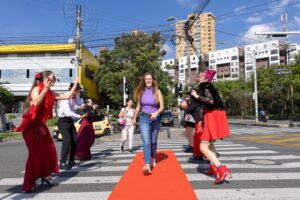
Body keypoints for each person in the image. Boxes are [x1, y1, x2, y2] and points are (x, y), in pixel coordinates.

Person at [15, 70, 80, 193]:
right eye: (50, 79)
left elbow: (66, 96)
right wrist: (44, 90)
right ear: (44, 80)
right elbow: (36, 103)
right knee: (34, 155)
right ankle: (29, 183)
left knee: (49, 150)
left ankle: (46, 176)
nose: (52, 81)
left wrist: (75, 85)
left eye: (53, 79)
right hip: (31, 125)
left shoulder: (51, 93)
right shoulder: (36, 89)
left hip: (41, 125)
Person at [191, 69, 231, 184]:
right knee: (211, 145)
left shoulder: (206, 86)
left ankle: (221, 169)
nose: (198, 77)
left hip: (212, 116)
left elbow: (211, 101)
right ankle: (214, 168)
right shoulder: (208, 86)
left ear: (205, 78)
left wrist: (197, 96)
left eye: (200, 76)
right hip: (213, 115)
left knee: (203, 147)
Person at [133, 73, 164, 175]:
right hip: (143, 118)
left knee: (153, 141)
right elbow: (138, 106)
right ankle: (147, 165)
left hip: (155, 118)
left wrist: (156, 113)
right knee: (146, 141)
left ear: (153, 80)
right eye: (146, 79)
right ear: (144, 80)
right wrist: (134, 118)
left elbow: (162, 107)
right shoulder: (141, 92)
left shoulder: (157, 92)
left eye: (150, 79)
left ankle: (152, 157)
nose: (148, 81)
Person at [57, 83, 85, 170]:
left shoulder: (75, 97)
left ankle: (71, 160)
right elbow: (68, 112)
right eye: (77, 90)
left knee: (75, 141)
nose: (78, 92)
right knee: (67, 140)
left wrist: (84, 105)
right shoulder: (65, 98)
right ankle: (62, 162)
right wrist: (79, 116)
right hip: (63, 121)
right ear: (73, 89)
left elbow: (81, 103)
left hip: (69, 120)